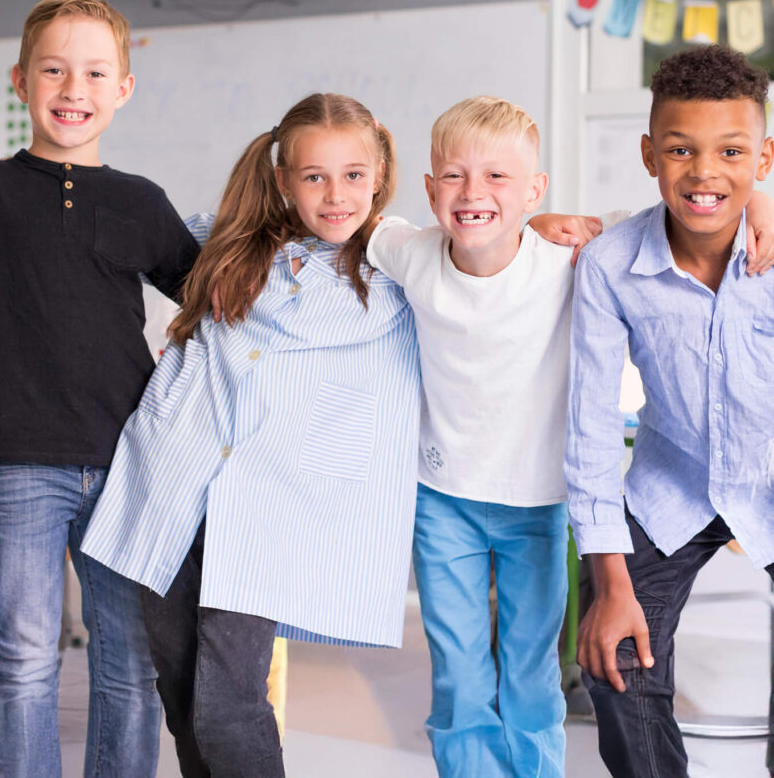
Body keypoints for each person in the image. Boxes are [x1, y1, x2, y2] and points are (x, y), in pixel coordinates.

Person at [79, 92, 597, 777]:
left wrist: (537, 227)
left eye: (353, 174)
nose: (335, 194)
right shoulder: (223, 247)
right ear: (282, 179)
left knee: (226, 705)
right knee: (180, 695)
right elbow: (104, 245)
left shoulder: (395, 268)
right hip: (169, 488)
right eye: (314, 176)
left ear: (381, 175)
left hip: (269, 515)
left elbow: (482, 254)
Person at [0, 0, 200, 778]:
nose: (73, 87)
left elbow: (218, 295)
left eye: (94, 72)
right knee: (25, 658)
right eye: (54, 69)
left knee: (127, 666)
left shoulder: (141, 200)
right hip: (14, 462)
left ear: (122, 89)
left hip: (129, 463)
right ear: (20, 81)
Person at [567, 43, 774, 778]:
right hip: (672, 484)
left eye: (731, 151)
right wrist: (610, 585)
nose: (705, 171)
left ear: (764, 157)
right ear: (650, 154)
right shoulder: (610, 264)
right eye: (681, 149)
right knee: (617, 658)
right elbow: (589, 428)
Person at [363, 95, 576, 777]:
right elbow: (345, 217)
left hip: (538, 502)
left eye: (498, 178)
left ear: (536, 192)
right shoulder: (410, 252)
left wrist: (759, 202)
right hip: (442, 499)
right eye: (453, 176)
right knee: (459, 673)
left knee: (529, 671)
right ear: (430, 189)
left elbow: (673, 219)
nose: (472, 193)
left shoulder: (566, 260)